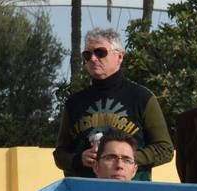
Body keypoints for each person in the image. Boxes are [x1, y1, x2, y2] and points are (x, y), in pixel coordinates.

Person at [53, 28, 173, 182]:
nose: (93, 59)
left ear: (120, 56)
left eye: (100, 52)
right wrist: (78, 159)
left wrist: (126, 159)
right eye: (87, 54)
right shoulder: (74, 103)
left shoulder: (142, 98)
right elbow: (60, 154)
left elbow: (165, 149)